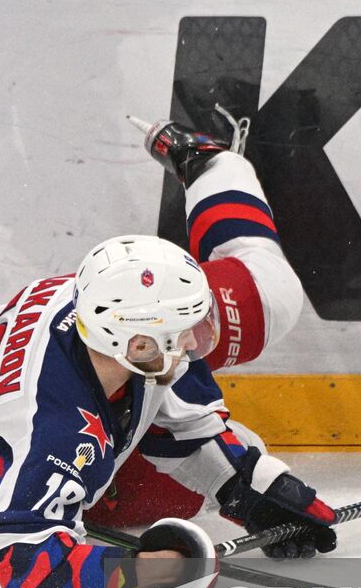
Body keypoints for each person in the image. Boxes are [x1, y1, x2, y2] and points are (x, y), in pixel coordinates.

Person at [0, 227, 338, 588]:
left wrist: (251, 488)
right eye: (184, 331)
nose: (195, 344)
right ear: (138, 344)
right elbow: (17, 566)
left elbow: (172, 405)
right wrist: (145, 576)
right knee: (171, 497)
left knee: (230, 435)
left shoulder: (105, 311)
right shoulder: (55, 431)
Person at [86, 116, 311, 545]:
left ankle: (208, 165)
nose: (189, 344)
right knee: (242, 447)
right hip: (102, 477)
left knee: (234, 444)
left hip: (57, 465)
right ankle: (209, 164)